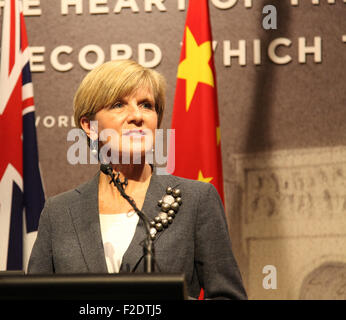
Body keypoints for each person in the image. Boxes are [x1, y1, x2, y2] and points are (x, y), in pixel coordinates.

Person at [28, 60, 247, 299]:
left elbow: (229, 296)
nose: (136, 116)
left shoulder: (196, 200)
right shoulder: (59, 212)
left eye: (146, 105)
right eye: (118, 104)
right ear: (89, 126)